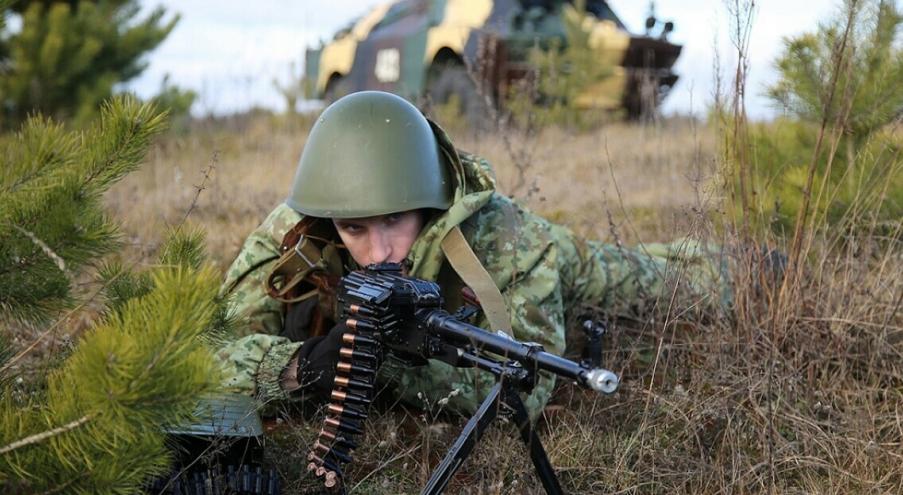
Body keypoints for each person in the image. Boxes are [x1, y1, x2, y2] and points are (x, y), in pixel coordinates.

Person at [214, 91, 729, 419]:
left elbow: (526, 389)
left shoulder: (510, 241)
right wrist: (300, 365)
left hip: (578, 266)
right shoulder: (296, 232)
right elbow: (207, 354)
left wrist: (385, 368)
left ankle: (748, 264)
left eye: (396, 219)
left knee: (666, 278)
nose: (379, 252)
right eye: (355, 229)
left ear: (431, 206)